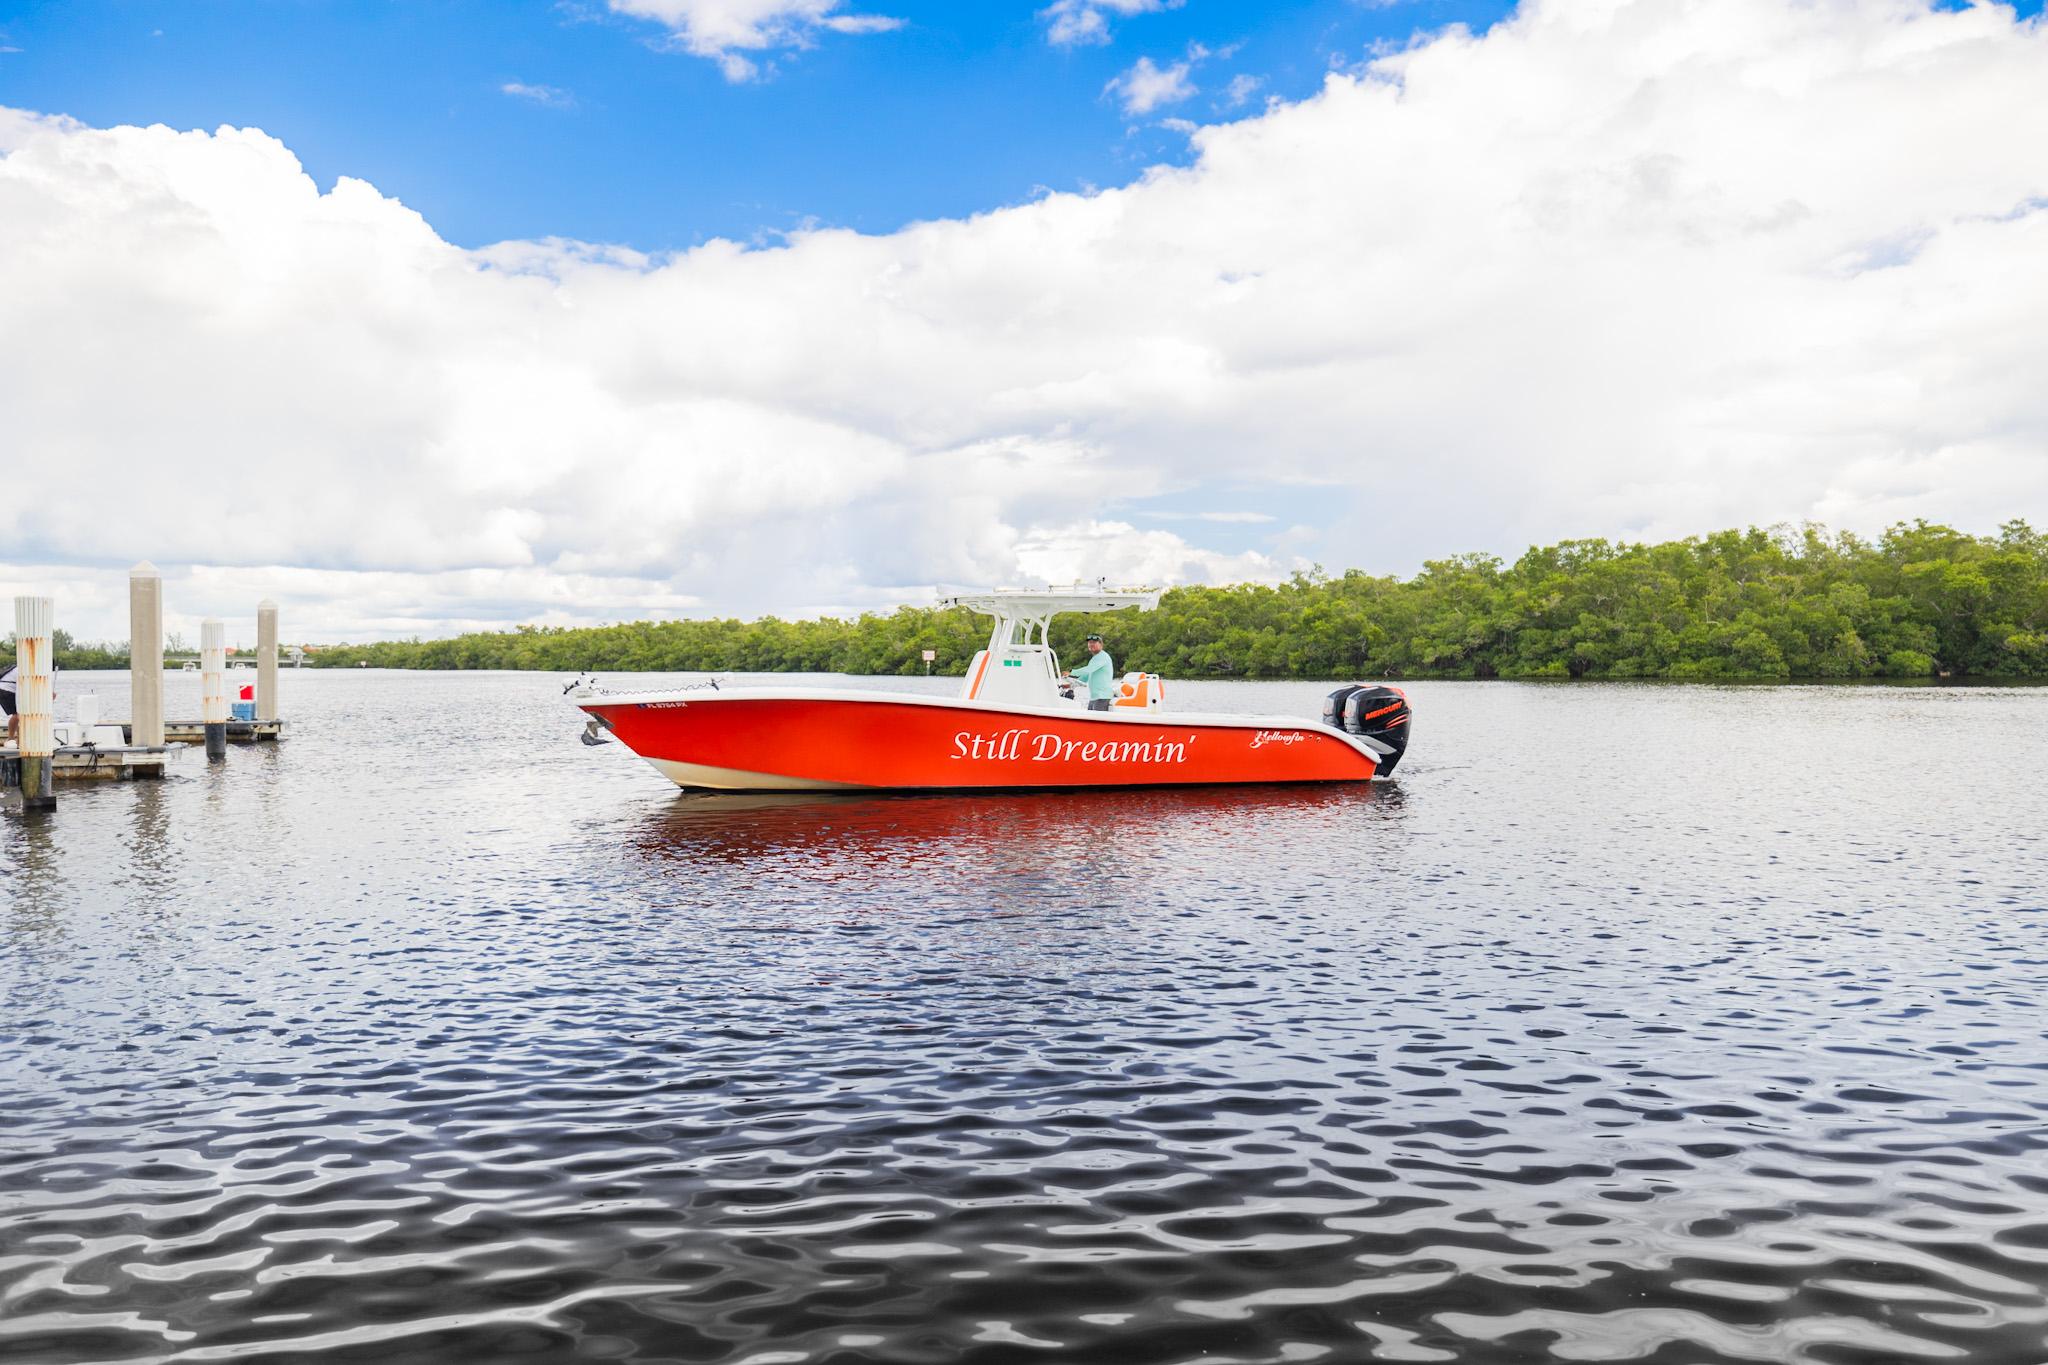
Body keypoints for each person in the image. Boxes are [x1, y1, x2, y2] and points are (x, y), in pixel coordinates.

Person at [1062, 634, 1117, 712]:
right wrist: (1070, 684)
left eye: (1094, 642)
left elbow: (1089, 669)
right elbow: (1085, 677)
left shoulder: (1103, 656)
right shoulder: (1094, 659)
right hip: (1094, 697)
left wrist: (1071, 672)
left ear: (1101, 644)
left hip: (1102, 697)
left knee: (1097, 723)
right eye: (1089, 642)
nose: (1091, 644)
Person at [1, 662, 16, 745]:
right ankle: (10, 738)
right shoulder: (25, 669)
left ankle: (18, 740)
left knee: (20, 714)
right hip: (5, 690)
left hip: (9, 690)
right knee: (18, 714)